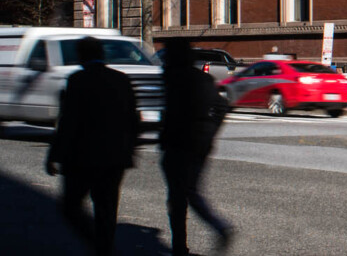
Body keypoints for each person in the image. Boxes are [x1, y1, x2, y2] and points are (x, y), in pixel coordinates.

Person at [46, 35, 141, 256]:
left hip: (82, 156)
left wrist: (54, 155)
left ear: (81, 55)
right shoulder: (121, 79)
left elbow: (69, 121)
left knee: (71, 206)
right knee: (106, 208)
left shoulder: (78, 80)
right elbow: (133, 118)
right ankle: (104, 248)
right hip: (114, 156)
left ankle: (96, 244)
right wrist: (130, 149)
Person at [159, 39, 233, 256]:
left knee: (179, 197)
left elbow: (170, 113)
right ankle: (207, 232)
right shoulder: (202, 78)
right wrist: (210, 131)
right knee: (189, 190)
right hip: (199, 142)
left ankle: (182, 245)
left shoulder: (171, 78)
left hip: (177, 143)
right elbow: (221, 106)